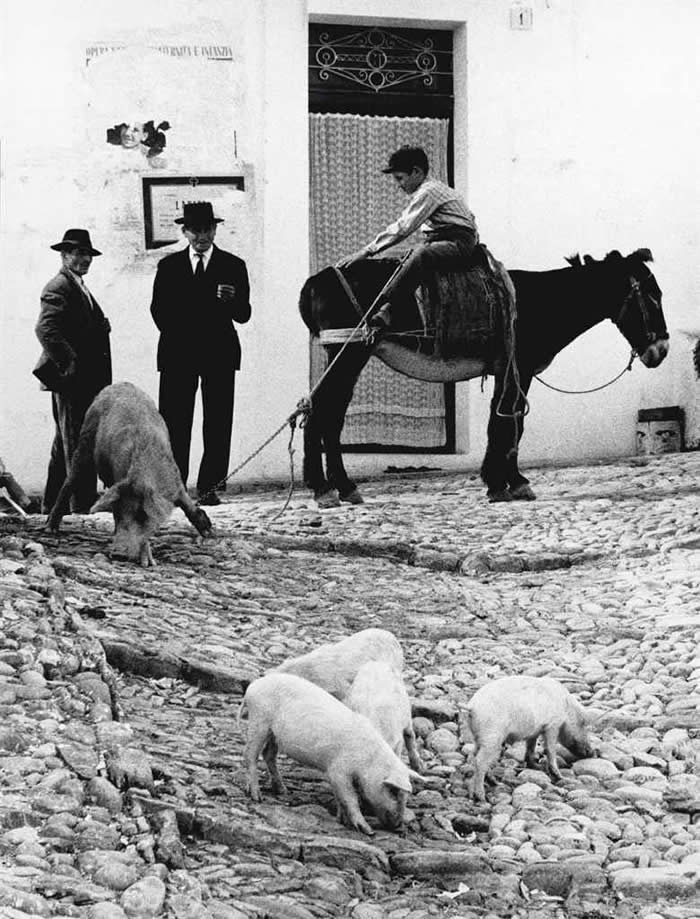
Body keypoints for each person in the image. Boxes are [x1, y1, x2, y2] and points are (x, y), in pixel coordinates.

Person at [150, 200, 251, 506]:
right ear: (185, 232)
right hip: (178, 355)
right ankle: (174, 487)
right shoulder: (169, 267)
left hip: (219, 354)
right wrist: (187, 328)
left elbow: (244, 314)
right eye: (195, 230)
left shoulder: (234, 266)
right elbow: (158, 311)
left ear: (215, 230)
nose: (202, 236)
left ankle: (209, 487)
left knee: (218, 422)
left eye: (207, 229)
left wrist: (233, 301)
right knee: (174, 422)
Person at [338, 145, 480, 330]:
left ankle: (388, 306)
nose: (399, 185)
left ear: (416, 172)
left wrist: (366, 251)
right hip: (443, 238)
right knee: (405, 256)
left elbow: (403, 227)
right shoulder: (434, 189)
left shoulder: (429, 191)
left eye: (400, 178)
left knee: (421, 254)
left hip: (458, 242)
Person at [33, 228, 112, 514]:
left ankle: (53, 505)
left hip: (83, 381)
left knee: (65, 441)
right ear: (64, 255)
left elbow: (77, 326)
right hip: (74, 382)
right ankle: (82, 506)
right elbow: (46, 329)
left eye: (88, 254)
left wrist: (100, 327)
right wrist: (71, 363)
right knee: (79, 443)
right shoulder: (59, 286)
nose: (85, 259)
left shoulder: (77, 285)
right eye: (78, 253)